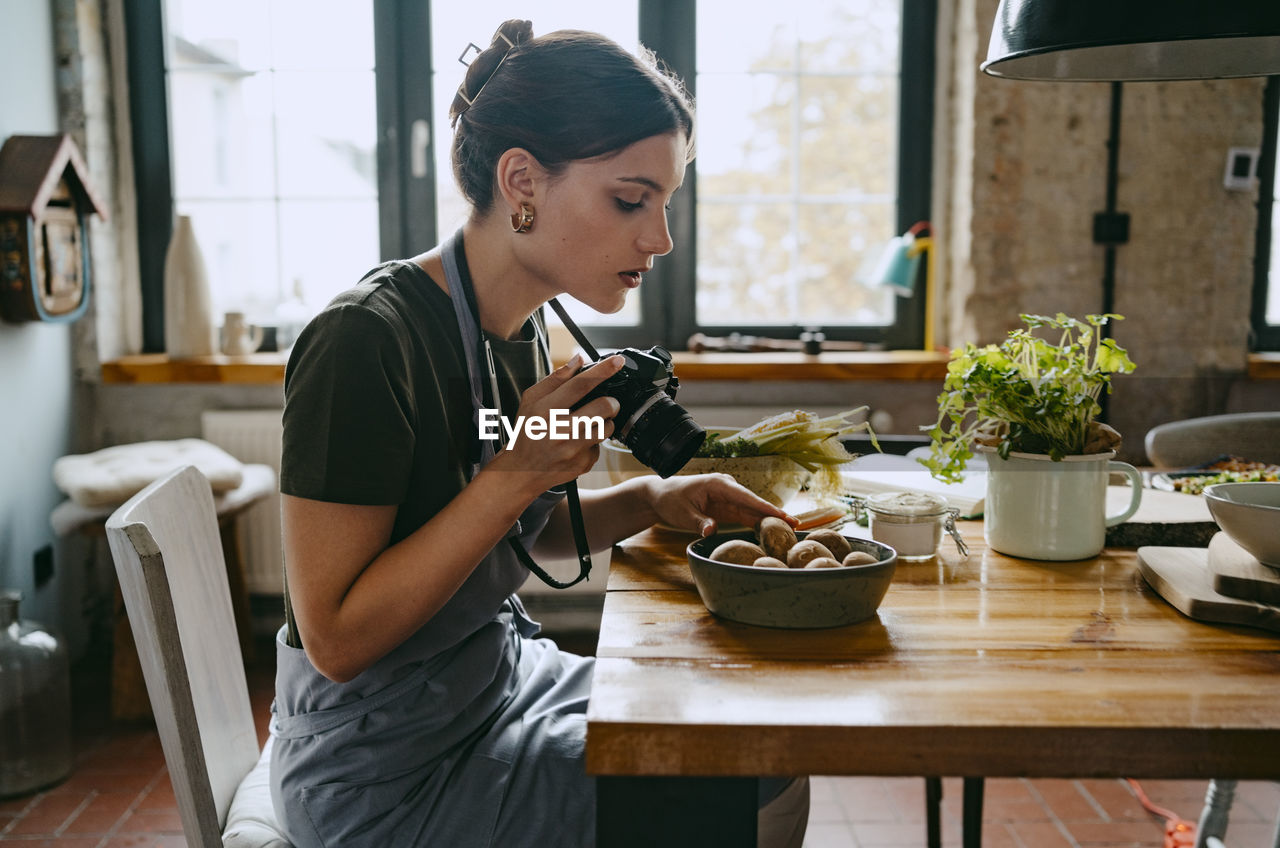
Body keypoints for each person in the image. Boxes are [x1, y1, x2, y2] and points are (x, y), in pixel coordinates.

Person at [270, 19, 810, 848]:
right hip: (389, 771)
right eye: (631, 200)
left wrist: (654, 498)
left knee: (759, 734)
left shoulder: (524, 328)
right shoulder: (363, 342)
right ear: (522, 180)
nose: (659, 239)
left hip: (499, 683)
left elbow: (513, 538)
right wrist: (515, 474)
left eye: (666, 204)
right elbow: (337, 639)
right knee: (750, 781)